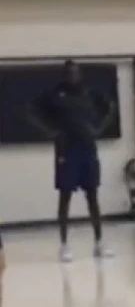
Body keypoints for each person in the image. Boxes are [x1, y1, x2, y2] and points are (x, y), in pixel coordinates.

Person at [26, 60, 115, 262]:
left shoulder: (89, 93)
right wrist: (50, 131)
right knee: (65, 196)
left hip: (88, 150)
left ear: (80, 74)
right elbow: (30, 110)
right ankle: (64, 245)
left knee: (92, 197)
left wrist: (98, 130)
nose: (72, 76)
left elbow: (110, 107)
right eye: (68, 72)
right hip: (66, 151)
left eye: (75, 72)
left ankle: (99, 243)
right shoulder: (55, 95)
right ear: (64, 74)